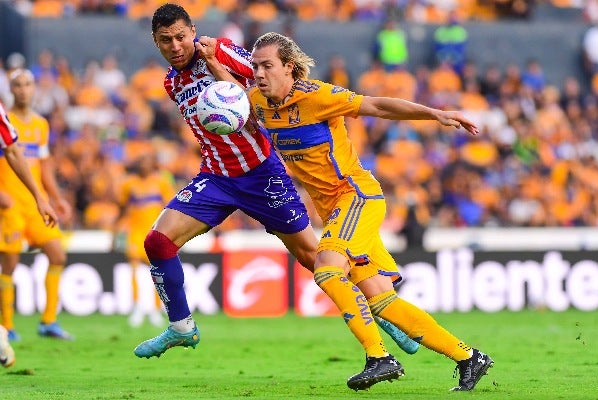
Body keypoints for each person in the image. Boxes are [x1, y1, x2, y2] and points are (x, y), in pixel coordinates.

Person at [133, 3, 414, 391]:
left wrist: (217, 65)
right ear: (156, 42)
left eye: (182, 37)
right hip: (216, 175)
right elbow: (222, 116)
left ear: (193, 31)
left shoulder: (224, 50)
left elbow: (272, 89)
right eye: (167, 40)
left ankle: (382, 315)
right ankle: (181, 326)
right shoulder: (170, 82)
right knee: (158, 241)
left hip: (263, 173)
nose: (176, 46)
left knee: (315, 259)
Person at [246, 31, 494, 391]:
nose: (259, 73)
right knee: (382, 301)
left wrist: (434, 114)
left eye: (267, 66)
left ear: (289, 67)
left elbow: (377, 106)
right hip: (335, 212)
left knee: (327, 269)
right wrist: (209, 61)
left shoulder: (319, 96)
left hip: (357, 196)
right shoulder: (257, 101)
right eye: (255, 67)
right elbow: (230, 88)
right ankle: (469, 357)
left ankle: (379, 357)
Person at [0, 68, 73, 341]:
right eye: (17, 85)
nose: (23, 90)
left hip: (36, 203)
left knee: (58, 255)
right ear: (10, 89)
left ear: (34, 88)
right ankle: (7, 327)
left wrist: (55, 198)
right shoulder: (4, 119)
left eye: (27, 84)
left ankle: (49, 322)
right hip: (9, 204)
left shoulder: (41, 124)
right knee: (10, 263)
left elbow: (44, 167)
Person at [115, 154, 174, 327]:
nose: (144, 165)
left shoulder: (161, 182)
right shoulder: (129, 183)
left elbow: (170, 207)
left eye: (147, 161)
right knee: (134, 269)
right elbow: (123, 207)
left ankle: (156, 309)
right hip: (135, 232)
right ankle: (137, 307)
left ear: (153, 164)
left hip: (155, 231)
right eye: (141, 162)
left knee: (157, 272)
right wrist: (116, 230)